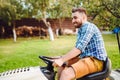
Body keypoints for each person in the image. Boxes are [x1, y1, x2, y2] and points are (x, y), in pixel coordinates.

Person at [52, 7, 107, 80]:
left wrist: (62, 60)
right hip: (86, 58)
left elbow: (79, 49)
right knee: (62, 65)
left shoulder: (88, 27)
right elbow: (77, 52)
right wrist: (61, 58)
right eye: (72, 18)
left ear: (84, 17)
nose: (73, 21)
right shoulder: (81, 30)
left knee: (66, 73)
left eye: (75, 18)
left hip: (96, 61)